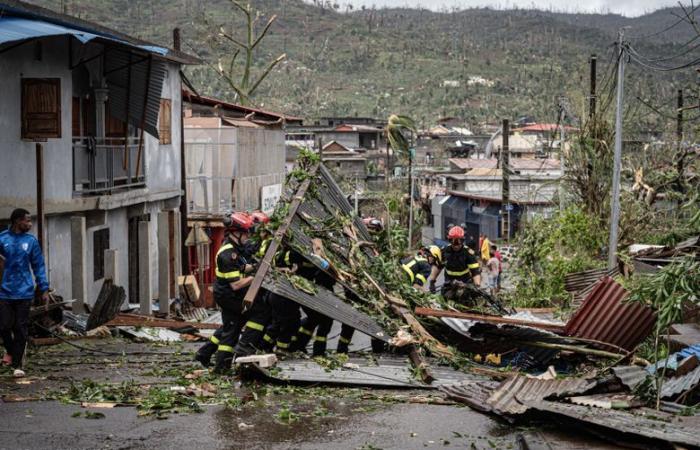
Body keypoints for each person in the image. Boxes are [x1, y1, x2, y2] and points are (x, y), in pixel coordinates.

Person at [194, 212, 255, 373]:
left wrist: (255, 267)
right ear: (236, 233)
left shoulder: (235, 248)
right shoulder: (228, 253)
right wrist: (255, 277)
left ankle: (204, 353)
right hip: (228, 295)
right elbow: (236, 284)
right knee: (232, 330)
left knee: (230, 325)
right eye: (245, 233)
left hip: (228, 294)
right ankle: (221, 367)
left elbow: (241, 268)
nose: (247, 236)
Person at [0, 208, 49, 378]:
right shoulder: (2, 239)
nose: (30, 224)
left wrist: (43, 288)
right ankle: (12, 352)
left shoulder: (31, 241)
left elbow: (39, 266)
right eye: (27, 221)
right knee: (4, 327)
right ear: (17, 221)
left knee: (20, 328)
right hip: (4, 292)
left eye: (30, 221)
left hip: (24, 292)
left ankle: (17, 364)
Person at [436, 226, 481, 305]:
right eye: (453, 241)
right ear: (449, 240)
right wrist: (432, 280)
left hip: (465, 284)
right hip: (449, 284)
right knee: (445, 300)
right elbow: (439, 266)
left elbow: (475, 272)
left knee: (467, 301)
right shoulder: (444, 251)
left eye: (459, 241)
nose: (456, 245)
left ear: (463, 240)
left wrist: (477, 285)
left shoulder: (468, 253)